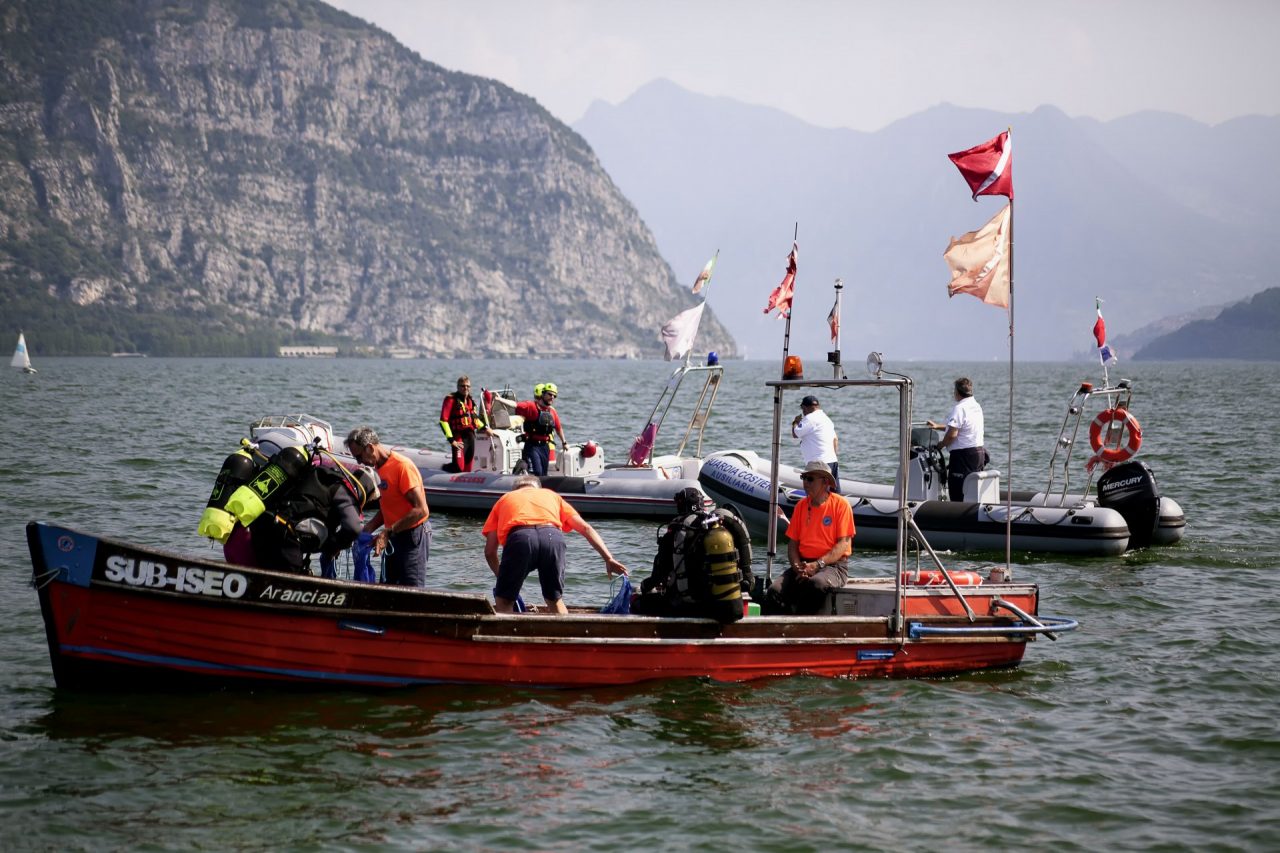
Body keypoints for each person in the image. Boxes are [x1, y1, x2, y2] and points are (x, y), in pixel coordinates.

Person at [482, 474, 628, 613]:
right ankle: (566, 634)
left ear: (515, 490)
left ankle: (508, 636)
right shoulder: (552, 496)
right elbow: (585, 528)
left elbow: (489, 552)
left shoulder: (505, 499)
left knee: (504, 601)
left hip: (520, 538)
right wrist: (608, 558)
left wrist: (501, 577)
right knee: (554, 600)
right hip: (552, 537)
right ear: (538, 488)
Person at [634, 487, 754, 620]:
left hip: (688, 607)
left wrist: (644, 587)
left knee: (638, 604)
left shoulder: (676, 532)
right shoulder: (721, 529)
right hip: (724, 605)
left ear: (680, 505)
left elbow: (658, 576)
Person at [247, 463, 380, 575]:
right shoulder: (346, 491)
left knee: (263, 577)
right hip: (286, 538)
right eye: (370, 499)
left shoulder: (322, 479)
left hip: (263, 525)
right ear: (366, 489)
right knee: (289, 587)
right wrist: (334, 546)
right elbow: (353, 528)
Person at [763, 461, 854, 615]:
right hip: (804, 564)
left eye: (810, 479)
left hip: (833, 566)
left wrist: (817, 565)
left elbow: (843, 544)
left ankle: (801, 625)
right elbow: (793, 544)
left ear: (825, 482)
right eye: (803, 478)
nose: (805, 483)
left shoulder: (841, 505)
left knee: (816, 583)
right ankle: (783, 628)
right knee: (774, 590)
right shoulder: (800, 506)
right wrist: (797, 566)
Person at [346, 426, 431, 586]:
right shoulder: (379, 468)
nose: (358, 462)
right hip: (394, 534)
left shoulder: (401, 466)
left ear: (370, 448)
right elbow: (389, 506)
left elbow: (421, 510)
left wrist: (387, 532)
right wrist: (368, 528)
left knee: (410, 590)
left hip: (413, 534)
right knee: (388, 586)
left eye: (359, 456)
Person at [927, 377, 989, 502]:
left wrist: (941, 445)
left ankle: (958, 517)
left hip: (963, 457)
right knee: (972, 490)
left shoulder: (959, 408)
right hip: (978, 454)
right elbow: (959, 427)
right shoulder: (976, 406)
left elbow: (952, 434)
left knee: (957, 491)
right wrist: (937, 426)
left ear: (957, 392)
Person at [514, 382, 568, 477]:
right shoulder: (531, 407)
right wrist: (499, 399)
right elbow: (516, 406)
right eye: (550, 394)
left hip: (545, 446)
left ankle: (540, 487)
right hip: (532, 445)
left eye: (554, 396)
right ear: (543, 395)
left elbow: (558, 428)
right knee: (538, 471)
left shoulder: (552, 412)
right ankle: (524, 470)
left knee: (543, 474)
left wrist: (564, 442)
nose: (552, 397)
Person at [439, 375, 490, 472]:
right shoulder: (451, 400)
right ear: (458, 387)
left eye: (467, 386)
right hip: (458, 437)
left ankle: (466, 482)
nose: (465, 388)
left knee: (468, 466)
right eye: (462, 386)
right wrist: (452, 440)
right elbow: (443, 421)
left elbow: (475, 420)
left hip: (470, 437)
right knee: (459, 467)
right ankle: (444, 468)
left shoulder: (470, 401)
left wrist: (486, 428)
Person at [791, 395, 840, 492]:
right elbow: (835, 440)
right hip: (832, 461)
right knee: (834, 494)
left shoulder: (810, 418)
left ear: (805, 407)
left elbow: (795, 433)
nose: (803, 412)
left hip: (819, 465)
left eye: (802, 409)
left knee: (818, 494)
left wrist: (795, 422)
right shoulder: (826, 419)